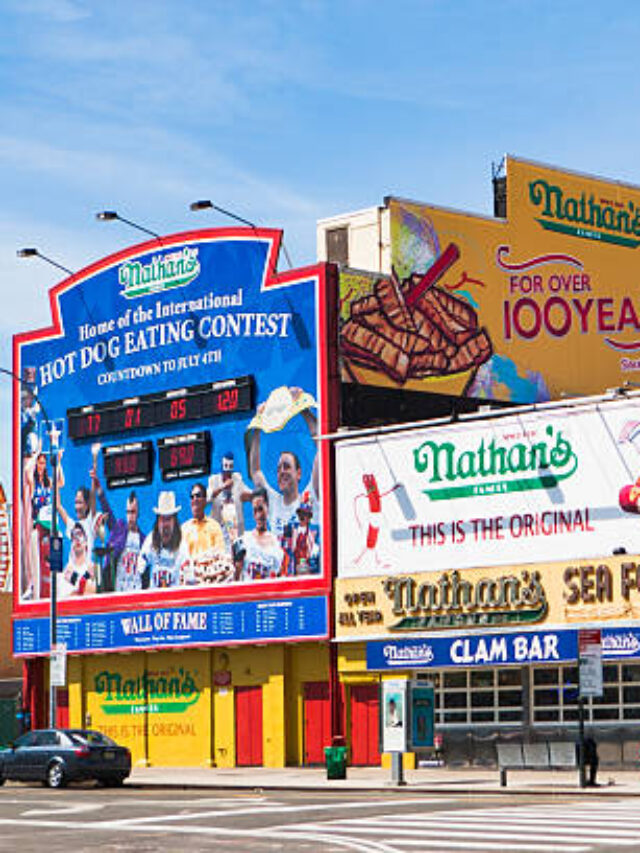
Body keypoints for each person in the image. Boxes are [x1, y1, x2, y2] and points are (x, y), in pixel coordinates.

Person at [246, 387, 319, 541]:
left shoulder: (311, 496)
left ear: (299, 473)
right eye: (279, 468)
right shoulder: (273, 503)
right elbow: (256, 472)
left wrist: (303, 408)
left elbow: (322, 442)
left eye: (286, 466)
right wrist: (258, 425)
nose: (281, 472)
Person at [93, 476, 146, 593]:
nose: (130, 516)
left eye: (132, 512)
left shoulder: (143, 540)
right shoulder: (120, 529)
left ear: (138, 513)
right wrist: (99, 489)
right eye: (128, 512)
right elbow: (108, 511)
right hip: (119, 588)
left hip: (136, 588)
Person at [137, 491, 189, 589]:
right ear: (158, 521)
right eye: (162, 519)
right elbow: (140, 569)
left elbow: (188, 576)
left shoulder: (182, 545)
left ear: (174, 521)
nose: (165, 524)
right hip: (154, 599)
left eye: (168, 519)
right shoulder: (150, 541)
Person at [238, 488, 287, 580]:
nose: (258, 515)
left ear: (267, 507)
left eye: (260, 509)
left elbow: (280, 576)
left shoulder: (277, 543)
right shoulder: (245, 541)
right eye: (255, 510)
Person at [206, 451, 252, 542]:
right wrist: (222, 487)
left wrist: (252, 495)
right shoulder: (214, 480)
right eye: (225, 472)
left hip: (236, 530)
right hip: (219, 531)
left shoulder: (237, 479)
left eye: (229, 472)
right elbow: (207, 498)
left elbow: (249, 493)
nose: (228, 475)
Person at [182, 482, 226, 575]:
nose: (195, 499)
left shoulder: (214, 526)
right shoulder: (184, 529)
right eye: (192, 497)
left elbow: (220, 554)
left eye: (198, 496)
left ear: (205, 500)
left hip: (211, 577)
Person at [59, 522, 97, 597]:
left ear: (86, 542)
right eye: (74, 537)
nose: (78, 540)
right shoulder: (66, 571)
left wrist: (74, 579)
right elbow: (66, 597)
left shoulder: (92, 569)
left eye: (80, 535)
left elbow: (95, 592)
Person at [290, 492, 319, 575]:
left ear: (309, 516)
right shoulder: (293, 532)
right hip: (295, 570)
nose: (302, 517)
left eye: (304, 514)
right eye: (300, 514)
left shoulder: (314, 533)